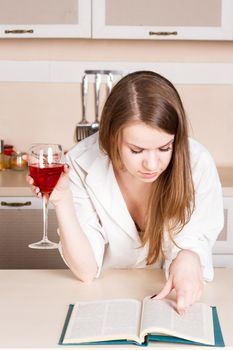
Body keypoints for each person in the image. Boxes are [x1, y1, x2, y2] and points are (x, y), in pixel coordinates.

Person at [28, 71, 224, 314]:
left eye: (164, 148)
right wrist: (63, 200)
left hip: (166, 300)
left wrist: (189, 258)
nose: (152, 165)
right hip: (104, 300)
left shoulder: (198, 163)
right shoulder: (80, 162)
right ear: (112, 138)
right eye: (137, 150)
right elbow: (86, 271)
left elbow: (194, 241)